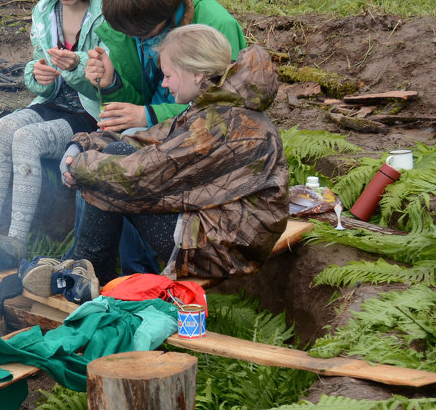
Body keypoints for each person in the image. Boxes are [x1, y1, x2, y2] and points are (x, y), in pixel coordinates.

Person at [61, 25, 289, 284]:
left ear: (196, 74)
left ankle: (87, 272)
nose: (164, 83)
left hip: (224, 250)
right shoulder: (218, 105)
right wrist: (82, 145)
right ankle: (87, 269)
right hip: (224, 232)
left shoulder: (219, 122)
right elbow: (151, 138)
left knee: (116, 174)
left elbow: (143, 172)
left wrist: (78, 167)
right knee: (117, 156)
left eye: (168, 75)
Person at [0, 0, 106, 244]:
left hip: (91, 112)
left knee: (26, 138)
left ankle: (16, 242)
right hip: (52, 104)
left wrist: (75, 66)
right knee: (5, 125)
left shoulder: (106, 12)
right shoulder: (45, 10)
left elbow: (106, 85)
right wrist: (39, 75)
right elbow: (37, 72)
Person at [80, 0, 246, 131]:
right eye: (126, 33)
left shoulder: (217, 26)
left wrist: (149, 115)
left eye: (140, 34)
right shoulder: (126, 20)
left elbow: (226, 106)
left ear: (165, 17)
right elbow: (134, 107)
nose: (131, 38)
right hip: (149, 127)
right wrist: (112, 83)